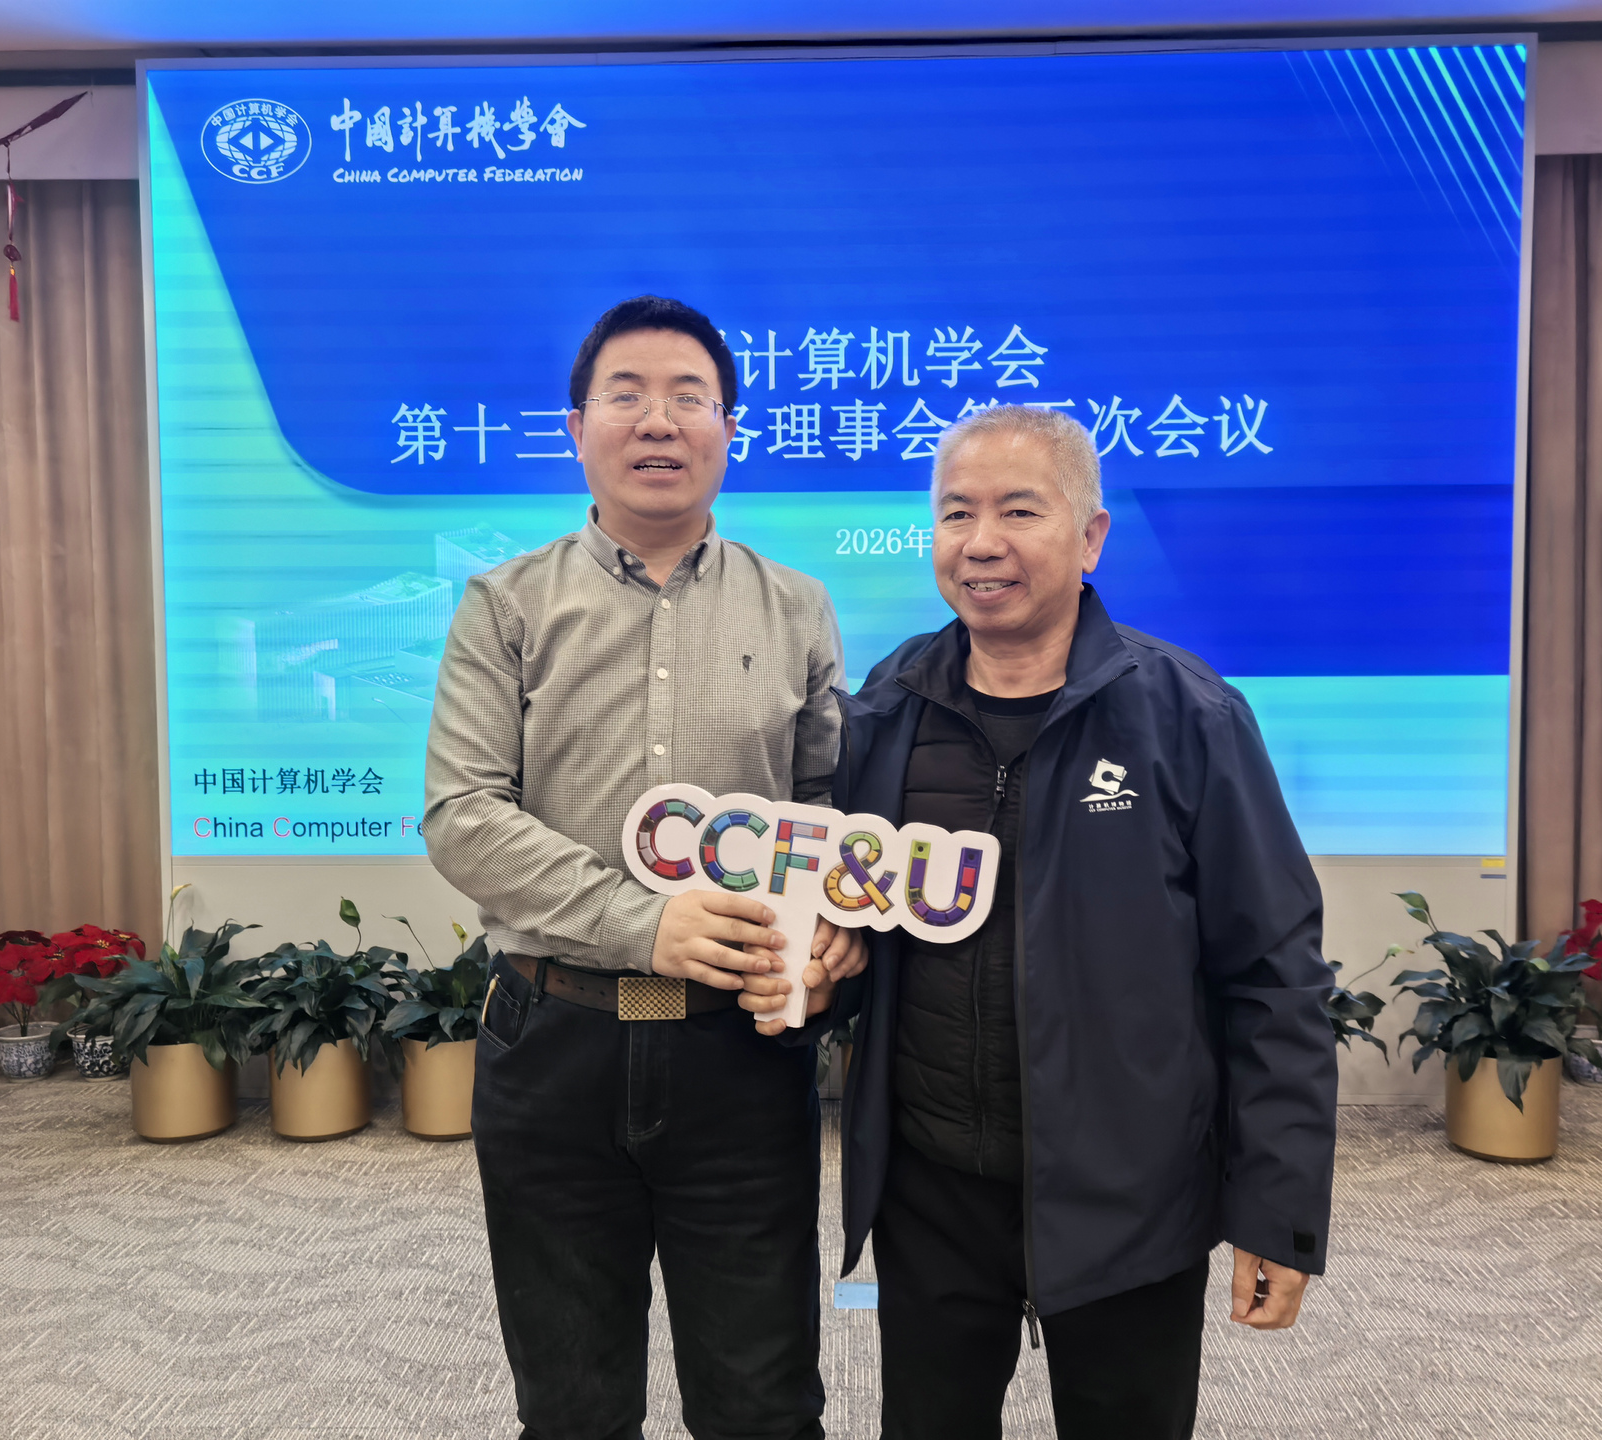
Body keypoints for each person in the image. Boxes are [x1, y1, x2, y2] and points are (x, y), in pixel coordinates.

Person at [832, 404, 1338, 1440]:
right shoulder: (888, 708)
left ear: (1091, 536)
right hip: (932, 1194)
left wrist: (1277, 1207)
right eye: (956, 513)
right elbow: (849, 923)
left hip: (1130, 1201)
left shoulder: (1188, 716)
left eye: (1020, 511)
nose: (982, 542)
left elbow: (1274, 972)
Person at [423, 295, 864, 1440]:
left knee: (763, 1401)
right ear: (577, 427)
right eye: (626, 396)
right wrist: (643, 923)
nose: (658, 421)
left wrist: (832, 926)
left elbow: (826, 810)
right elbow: (463, 814)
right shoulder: (506, 606)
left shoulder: (798, 606)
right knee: (572, 1405)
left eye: (688, 398)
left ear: (730, 429)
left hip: (739, 1054)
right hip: (554, 1043)